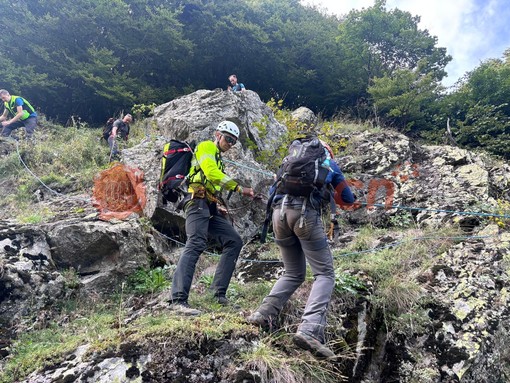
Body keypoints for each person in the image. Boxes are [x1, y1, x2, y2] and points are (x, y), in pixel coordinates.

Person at [247, 139, 355, 359]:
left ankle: (263, 313)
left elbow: (271, 192)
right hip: (305, 216)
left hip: (279, 216)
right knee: (324, 274)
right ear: (328, 152)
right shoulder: (328, 164)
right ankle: (310, 329)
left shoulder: (287, 165)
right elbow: (347, 198)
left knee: (293, 272)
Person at [170, 121, 254, 315]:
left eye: (233, 141)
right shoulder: (206, 146)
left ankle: (218, 294)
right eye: (228, 138)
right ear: (217, 134)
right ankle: (177, 300)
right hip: (195, 203)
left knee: (234, 241)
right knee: (196, 242)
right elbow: (210, 173)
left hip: (208, 206)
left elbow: (211, 181)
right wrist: (240, 188)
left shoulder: (219, 157)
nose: (230, 143)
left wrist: (216, 204)